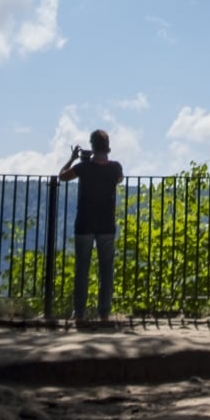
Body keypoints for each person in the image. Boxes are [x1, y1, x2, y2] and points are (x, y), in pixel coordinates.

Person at [59, 130, 123, 323]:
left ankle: (79, 313)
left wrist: (73, 159)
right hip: (106, 225)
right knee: (106, 271)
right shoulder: (115, 168)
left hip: (85, 223)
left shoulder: (83, 168)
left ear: (92, 147)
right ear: (108, 147)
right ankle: (104, 313)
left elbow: (62, 176)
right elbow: (119, 179)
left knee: (82, 270)